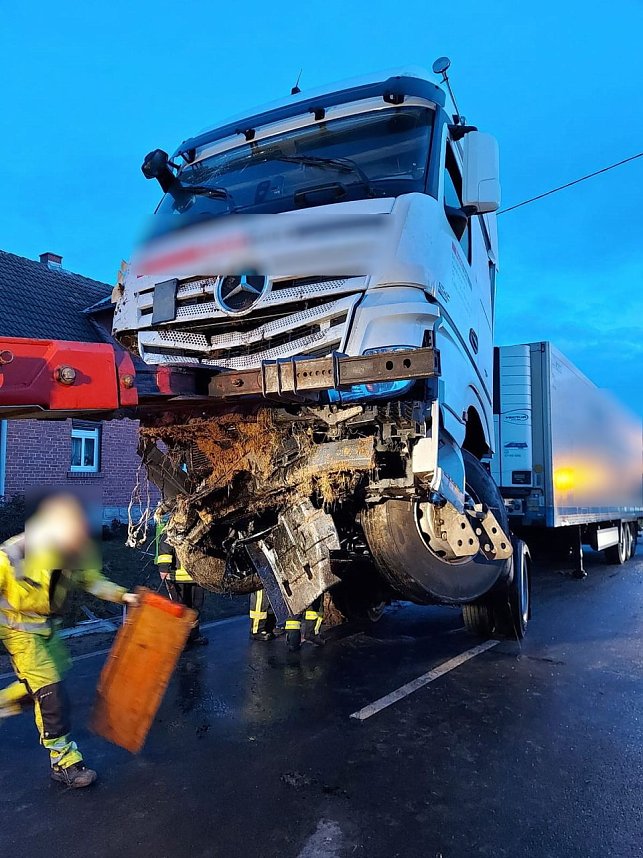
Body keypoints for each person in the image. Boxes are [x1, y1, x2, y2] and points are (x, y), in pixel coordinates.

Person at [0, 491, 139, 788]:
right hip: (18, 633)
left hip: (48, 630)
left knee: (38, 688)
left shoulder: (75, 551)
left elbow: (91, 580)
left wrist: (123, 596)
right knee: (51, 695)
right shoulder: (15, 554)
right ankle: (64, 762)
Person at [154, 510, 208, 648]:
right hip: (177, 577)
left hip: (197, 577)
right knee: (179, 609)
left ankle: (193, 635)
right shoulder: (173, 528)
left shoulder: (201, 526)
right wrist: (164, 568)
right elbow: (165, 548)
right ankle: (179, 639)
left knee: (195, 609)